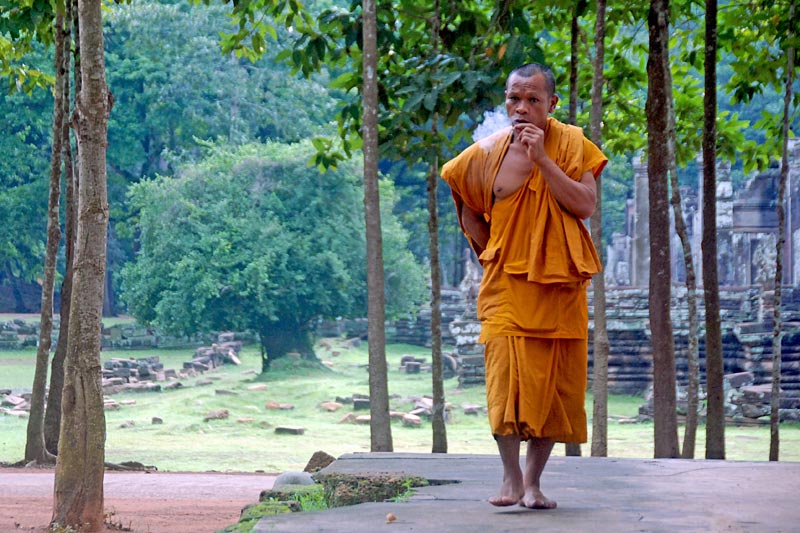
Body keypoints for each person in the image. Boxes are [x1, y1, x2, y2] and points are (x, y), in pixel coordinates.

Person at [441, 62, 607, 509]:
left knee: (553, 388)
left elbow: (585, 205)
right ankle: (511, 477)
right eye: (514, 98)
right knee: (504, 381)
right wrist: (491, 253)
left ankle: (534, 483)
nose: (522, 107)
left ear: (551, 105)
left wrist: (543, 161)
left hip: (559, 289)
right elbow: (468, 207)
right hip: (506, 289)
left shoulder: (573, 145)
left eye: (533, 99)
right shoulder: (487, 153)